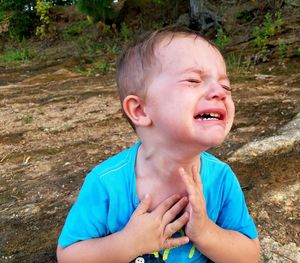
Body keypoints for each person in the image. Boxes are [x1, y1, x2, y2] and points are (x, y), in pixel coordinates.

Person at [56, 26, 260, 263]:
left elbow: (249, 255)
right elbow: (68, 255)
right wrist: (127, 243)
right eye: (194, 80)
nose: (219, 92)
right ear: (140, 110)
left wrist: (207, 233)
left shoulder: (221, 179)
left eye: (226, 86)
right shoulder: (106, 183)